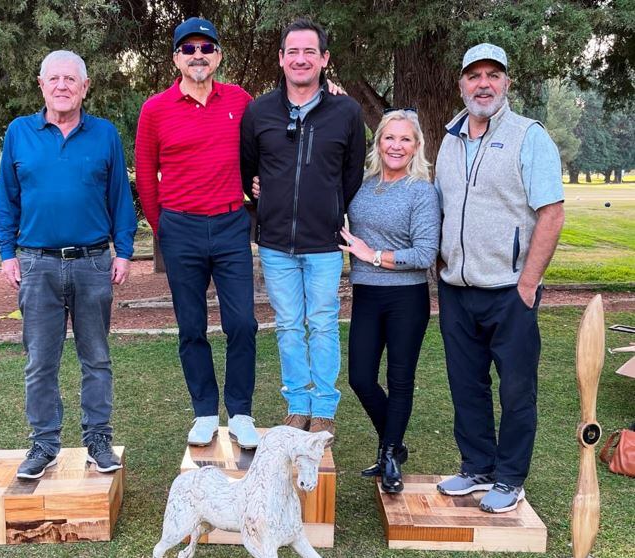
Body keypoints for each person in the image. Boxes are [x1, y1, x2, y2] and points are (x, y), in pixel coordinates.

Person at [0, 50, 137, 479]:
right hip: (36, 265)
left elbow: (120, 199)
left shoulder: (104, 134)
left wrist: (124, 251)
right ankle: (44, 444)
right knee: (40, 361)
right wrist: (6, 253)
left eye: (70, 79)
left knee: (96, 357)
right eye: (54, 79)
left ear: (85, 87)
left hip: (93, 263)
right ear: (41, 85)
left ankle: (98, 440)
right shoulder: (19, 133)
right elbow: (7, 198)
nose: (62, 86)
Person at [435, 44, 565, 512]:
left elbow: (551, 213)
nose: (483, 84)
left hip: (511, 291)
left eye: (493, 75)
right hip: (456, 290)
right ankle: (476, 467)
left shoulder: (529, 136)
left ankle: (510, 478)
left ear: (507, 82)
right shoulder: (450, 138)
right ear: (461, 84)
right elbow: (442, 210)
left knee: (516, 389)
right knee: (466, 384)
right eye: (474, 76)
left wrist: (528, 283)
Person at [134, 17, 260, 449]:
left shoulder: (240, 100)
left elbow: (274, 130)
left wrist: (329, 89)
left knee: (242, 323)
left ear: (218, 56)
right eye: (188, 49)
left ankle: (241, 411)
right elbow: (147, 174)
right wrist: (162, 225)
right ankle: (205, 411)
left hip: (229, 225)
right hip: (181, 227)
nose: (198, 55)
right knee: (191, 327)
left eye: (206, 48)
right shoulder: (156, 109)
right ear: (177, 58)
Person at [241, 18, 366, 444]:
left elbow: (351, 177)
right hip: (275, 243)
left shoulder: (346, 112)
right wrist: (263, 198)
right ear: (281, 58)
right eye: (292, 52)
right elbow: (249, 171)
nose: (300, 59)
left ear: (324, 59)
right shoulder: (259, 111)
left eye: (309, 52)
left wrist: (330, 210)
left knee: (324, 323)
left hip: (324, 244)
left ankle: (324, 409)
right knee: (290, 325)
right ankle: (297, 404)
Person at [340, 109, 440, 493]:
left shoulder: (421, 191)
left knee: (400, 380)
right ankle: (394, 446)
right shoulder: (362, 186)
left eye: (405, 140)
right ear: (378, 142)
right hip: (367, 294)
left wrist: (374, 255)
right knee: (361, 378)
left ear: (416, 147)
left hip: (407, 298)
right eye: (389, 138)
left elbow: (425, 254)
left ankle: (388, 457)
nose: (396, 146)